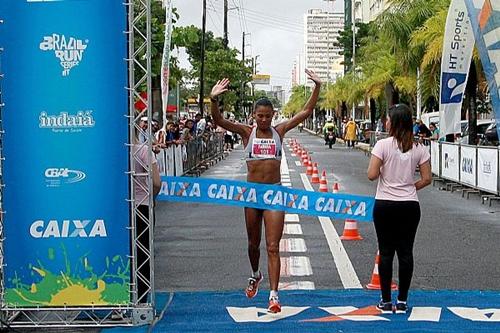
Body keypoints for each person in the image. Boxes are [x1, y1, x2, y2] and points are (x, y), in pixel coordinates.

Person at [209, 69, 321, 313]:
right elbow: (219, 121)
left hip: (274, 193)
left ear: (273, 115)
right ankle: (255, 274)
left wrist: (317, 88)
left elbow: (305, 112)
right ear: (253, 115)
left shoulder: (279, 132)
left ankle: (274, 295)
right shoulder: (246, 132)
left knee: (272, 246)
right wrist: (214, 100)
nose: (263, 120)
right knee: (253, 244)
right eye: (260, 116)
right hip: (252, 194)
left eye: (268, 116)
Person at [367, 104, 432, 314]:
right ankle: (402, 300)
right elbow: (427, 178)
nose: (385, 122)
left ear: (393, 123)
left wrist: (387, 173)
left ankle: (386, 301)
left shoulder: (382, 145)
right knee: (406, 252)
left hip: (385, 204)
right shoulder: (419, 147)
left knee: (385, 252)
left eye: (387, 119)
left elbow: (371, 174)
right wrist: (410, 187)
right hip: (409, 205)